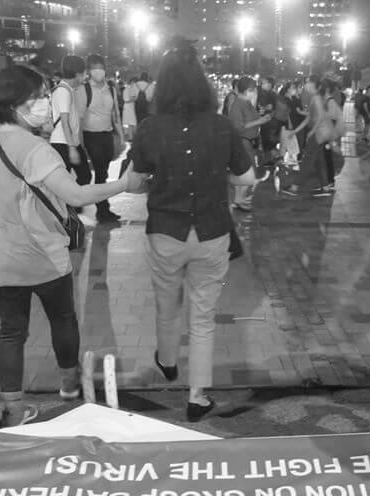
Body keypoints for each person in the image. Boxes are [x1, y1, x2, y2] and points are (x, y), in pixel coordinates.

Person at [0, 65, 132, 426]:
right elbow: (75, 194)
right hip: (40, 252)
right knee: (62, 318)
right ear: (15, 104)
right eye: (38, 98)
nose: (45, 103)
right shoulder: (35, 148)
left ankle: (13, 409)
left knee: (11, 330)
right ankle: (69, 384)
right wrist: (124, 185)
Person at [129, 37, 254, 421]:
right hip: (212, 231)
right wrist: (220, 178)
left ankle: (167, 362)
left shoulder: (149, 128)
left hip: (165, 231)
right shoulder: (221, 126)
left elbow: (133, 185)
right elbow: (248, 176)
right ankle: (197, 397)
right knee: (203, 317)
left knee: (167, 305)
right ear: (203, 84)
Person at [81, 54, 126, 224]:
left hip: (107, 136)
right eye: (94, 68)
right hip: (91, 135)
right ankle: (103, 209)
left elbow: (115, 115)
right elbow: (78, 117)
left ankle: (102, 207)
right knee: (100, 171)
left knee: (104, 172)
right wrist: (79, 142)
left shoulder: (111, 89)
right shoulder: (84, 90)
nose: (98, 71)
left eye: (101, 67)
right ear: (89, 71)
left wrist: (121, 136)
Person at [228, 76, 271, 212]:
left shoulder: (246, 103)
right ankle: (239, 199)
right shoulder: (236, 105)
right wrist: (260, 121)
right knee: (248, 173)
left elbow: (253, 117)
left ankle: (239, 200)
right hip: (242, 142)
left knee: (246, 172)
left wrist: (261, 115)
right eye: (253, 90)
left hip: (250, 142)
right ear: (247, 90)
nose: (254, 93)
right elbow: (239, 127)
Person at [50, 55, 91, 189]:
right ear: (78, 73)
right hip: (63, 143)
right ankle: (70, 205)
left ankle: (71, 206)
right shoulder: (63, 91)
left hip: (69, 142)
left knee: (83, 176)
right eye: (85, 72)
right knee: (74, 179)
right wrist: (72, 148)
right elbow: (64, 121)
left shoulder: (68, 89)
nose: (86, 76)